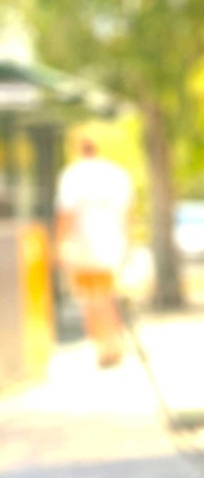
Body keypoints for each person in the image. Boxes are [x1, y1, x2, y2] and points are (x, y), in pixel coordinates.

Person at [56, 136, 133, 368]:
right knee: (107, 297)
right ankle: (114, 344)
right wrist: (128, 245)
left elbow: (65, 214)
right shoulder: (117, 174)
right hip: (112, 247)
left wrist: (58, 245)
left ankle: (104, 347)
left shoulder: (72, 174)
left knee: (91, 300)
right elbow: (128, 213)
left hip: (84, 249)